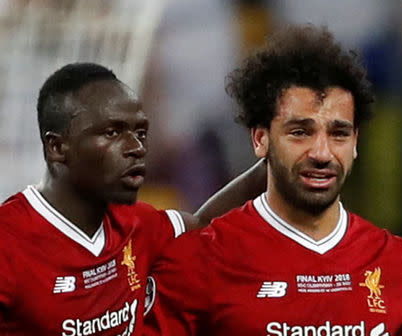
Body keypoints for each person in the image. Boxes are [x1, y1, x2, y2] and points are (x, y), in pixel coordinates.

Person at [146, 25, 402, 336]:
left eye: (338, 134)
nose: (322, 153)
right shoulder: (198, 262)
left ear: (356, 142)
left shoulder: (399, 262)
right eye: (300, 132)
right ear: (260, 139)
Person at [0, 63, 266, 335]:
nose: (136, 148)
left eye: (140, 133)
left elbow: (203, 222)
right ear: (57, 147)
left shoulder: (136, 223)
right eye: (112, 132)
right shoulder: (8, 243)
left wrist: (272, 164)